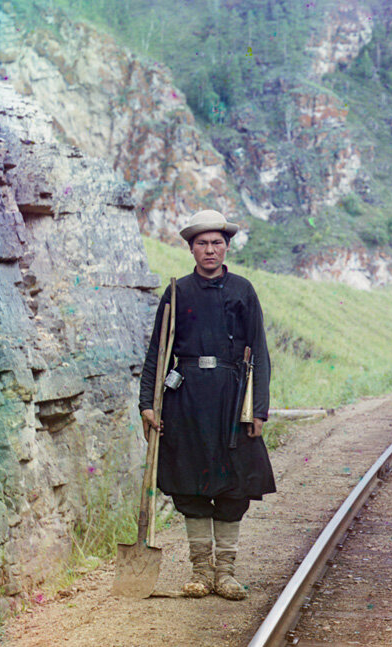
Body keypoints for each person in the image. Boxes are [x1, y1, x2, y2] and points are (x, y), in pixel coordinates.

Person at [138, 209, 275, 600]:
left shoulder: (243, 290)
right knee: (190, 483)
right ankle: (201, 571)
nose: (210, 250)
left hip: (233, 399)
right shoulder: (177, 292)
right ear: (191, 249)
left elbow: (259, 351)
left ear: (226, 247)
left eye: (216, 242)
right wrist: (148, 402)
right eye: (202, 243)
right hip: (186, 399)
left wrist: (258, 409)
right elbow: (157, 352)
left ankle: (226, 573)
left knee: (234, 485)